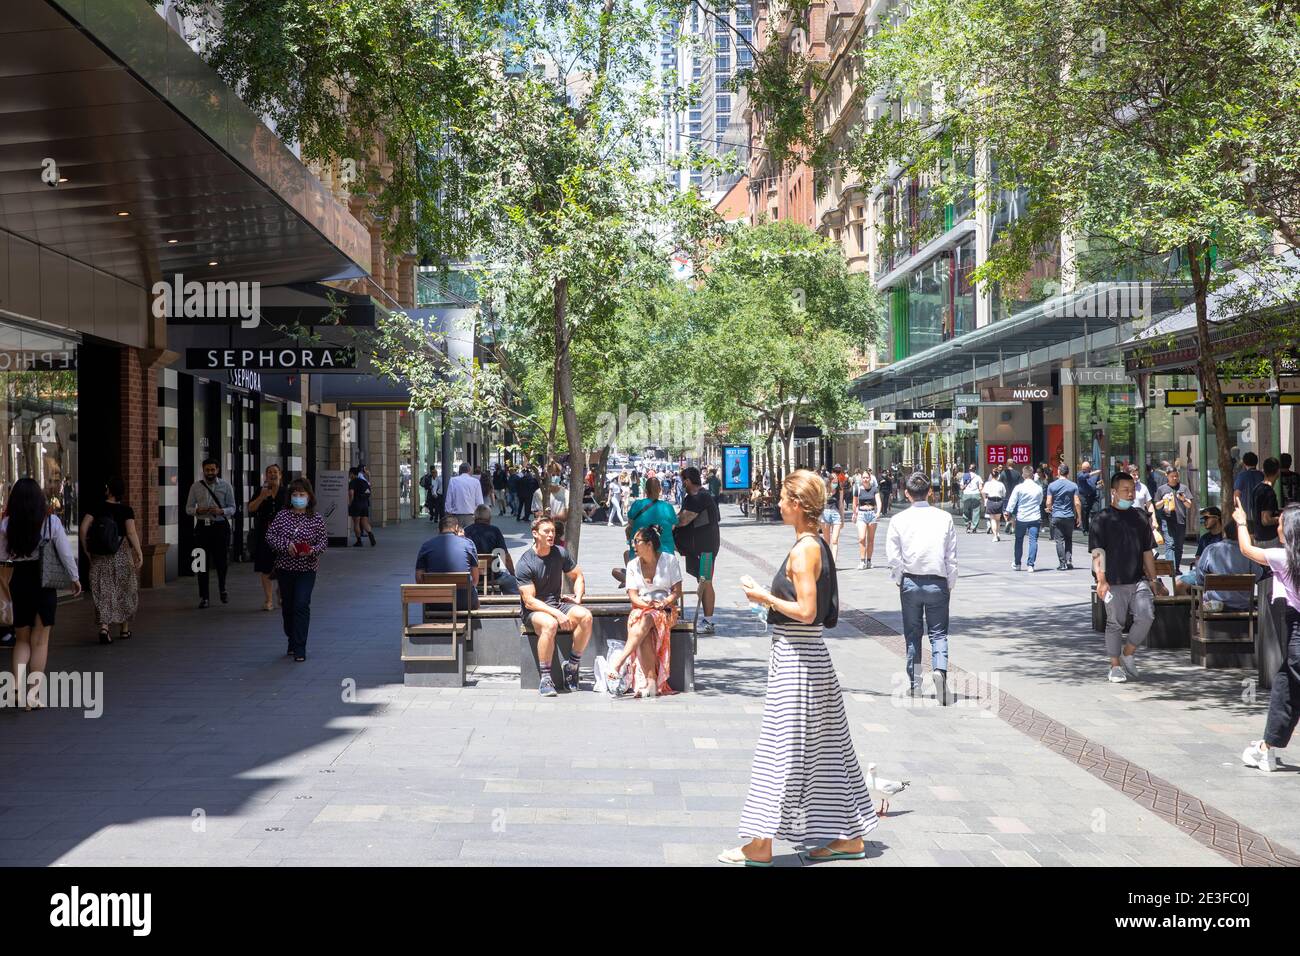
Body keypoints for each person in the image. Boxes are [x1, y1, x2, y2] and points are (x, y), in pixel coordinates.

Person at [722, 470, 877, 867]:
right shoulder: (816, 543)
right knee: (829, 750)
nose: (777, 503)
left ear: (798, 504)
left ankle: (760, 844)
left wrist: (764, 597)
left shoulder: (805, 549)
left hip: (799, 659)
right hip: (807, 659)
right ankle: (849, 836)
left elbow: (807, 612)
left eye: (782, 498)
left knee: (780, 751)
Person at [1, 479, 80, 709]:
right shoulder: (51, 522)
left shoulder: (6, 525)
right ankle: (33, 696)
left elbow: (2, 554)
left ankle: (16, 688)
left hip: (18, 582)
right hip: (44, 583)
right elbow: (65, 554)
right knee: (40, 641)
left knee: (22, 640)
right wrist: (74, 578)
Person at [1233, 503, 1300, 771]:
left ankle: (1265, 750)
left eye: (1282, 522)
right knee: (1285, 689)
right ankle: (1266, 748)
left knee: (1288, 686)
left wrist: (1240, 521)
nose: (1277, 526)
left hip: (1297, 634)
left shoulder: (1284, 557)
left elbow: (1247, 550)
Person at [885, 472, 959, 702]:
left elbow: (893, 556)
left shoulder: (898, 520)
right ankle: (939, 670)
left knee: (913, 633)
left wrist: (899, 577)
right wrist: (950, 581)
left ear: (907, 494)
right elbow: (951, 555)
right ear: (930, 493)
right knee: (939, 633)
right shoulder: (944, 517)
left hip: (910, 581)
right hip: (937, 581)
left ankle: (915, 683)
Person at [1090, 472, 1157, 684]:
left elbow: (1147, 551)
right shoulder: (1101, 518)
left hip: (1138, 580)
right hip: (1113, 581)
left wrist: (1154, 580)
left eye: (1132, 490)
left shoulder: (1140, 517)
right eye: (1125, 490)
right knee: (1115, 623)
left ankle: (1128, 652)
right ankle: (1115, 665)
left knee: (1147, 615)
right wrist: (1101, 579)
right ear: (1113, 492)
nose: (1130, 494)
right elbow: (1098, 552)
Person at [598, 526, 681, 698]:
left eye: (636, 541)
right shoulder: (632, 565)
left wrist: (663, 602)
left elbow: (676, 591)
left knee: (645, 620)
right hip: (642, 607)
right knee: (644, 623)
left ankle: (619, 662)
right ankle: (651, 683)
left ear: (649, 544)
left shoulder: (670, 561)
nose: (633, 545)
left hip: (665, 608)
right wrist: (647, 605)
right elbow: (633, 596)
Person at [515, 515, 593, 697]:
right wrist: (556, 614)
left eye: (553, 531)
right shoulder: (525, 562)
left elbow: (578, 576)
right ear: (535, 534)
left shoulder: (560, 553)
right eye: (546, 531)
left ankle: (572, 666)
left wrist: (578, 598)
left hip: (557, 604)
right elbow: (529, 601)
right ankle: (546, 678)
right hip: (534, 611)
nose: (551, 535)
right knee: (550, 624)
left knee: (586, 616)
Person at [265, 478, 328, 662]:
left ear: (309, 496)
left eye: (302, 494)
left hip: (307, 569)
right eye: (295, 495)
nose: (298, 498)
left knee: (301, 604)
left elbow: (323, 543)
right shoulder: (282, 516)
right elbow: (270, 536)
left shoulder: (316, 519)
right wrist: (287, 546)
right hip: (285, 568)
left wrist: (311, 550)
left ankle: (300, 647)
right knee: (288, 607)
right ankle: (291, 638)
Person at [79, 476, 141, 644]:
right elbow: (131, 533)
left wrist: (86, 549)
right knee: (125, 588)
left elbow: (84, 528)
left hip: (99, 554)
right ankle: (124, 629)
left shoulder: (97, 507)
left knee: (103, 589)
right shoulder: (127, 510)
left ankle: (104, 628)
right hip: (120, 552)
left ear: (109, 490)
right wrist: (139, 553)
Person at [1174, 517, 1259, 608]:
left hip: (1214, 606)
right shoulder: (1250, 554)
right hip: (1243, 606)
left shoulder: (1211, 549)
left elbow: (1200, 577)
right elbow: (1258, 576)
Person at [185, 458, 236, 608]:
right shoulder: (195, 487)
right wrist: (197, 510)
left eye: (213, 470)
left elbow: (233, 508)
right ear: (203, 470)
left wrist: (221, 511)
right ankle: (204, 597)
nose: (210, 473)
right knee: (201, 564)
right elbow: (188, 508)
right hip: (202, 528)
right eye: (207, 470)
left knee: (221, 562)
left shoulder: (226, 486)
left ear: (217, 470)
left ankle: (222, 588)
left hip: (220, 527)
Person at [677, 466, 720, 635]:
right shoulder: (697, 496)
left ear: (688, 480)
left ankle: (708, 622)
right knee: (703, 580)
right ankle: (707, 619)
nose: (683, 484)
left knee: (706, 581)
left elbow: (683, 520)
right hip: (700, 548)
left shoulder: (699, 497)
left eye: (683, 481)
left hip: (706, 548)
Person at [415, 514, 481, 609]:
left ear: (439, 529)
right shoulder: (468, 544)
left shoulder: (426, 546)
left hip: (434, 603)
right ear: (457, 528)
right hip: (464, 602)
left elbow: (419, 579)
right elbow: (475, 579)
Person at [247, 464, 288, 610]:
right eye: (269, 472)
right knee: (265, 567)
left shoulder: (287, 492)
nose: (272, 474)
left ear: (280, 475)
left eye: (275, 472)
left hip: (284, 536)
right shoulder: (261, 491)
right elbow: (250, 508)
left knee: (284, 567)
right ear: (266, 475)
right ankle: (268, 600)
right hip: (264, 535)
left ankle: (281, 592)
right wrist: (261, 498)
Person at [462, 505, 520, 594]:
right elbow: (505, 557)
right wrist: (513, 574)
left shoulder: (466, 531)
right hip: (493, 575)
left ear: (475, 517)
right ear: (489, 518)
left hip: (471, 575)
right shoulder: (495, 531)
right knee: (512, 581)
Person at [1005, 465, 1045, 571]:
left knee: (1019, 540)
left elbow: (1012, 501)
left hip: (1022, 517)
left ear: (1023, 475)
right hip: (1034, 517)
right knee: (1033, 541)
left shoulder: (1019, 488)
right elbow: (1040, 501)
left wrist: (1008, 511)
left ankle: (1017, 563)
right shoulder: (1038, 488)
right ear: (1032, 475)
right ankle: (1030, 564)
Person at [1153, 467, 1194, 569]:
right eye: (1172, 476)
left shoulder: (1183, 488)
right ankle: (1171, 569)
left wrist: (1183, 499)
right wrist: (1163, 500)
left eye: (1176, 476)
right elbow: (1157, 506)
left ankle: (1176, 568)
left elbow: (1189, 505)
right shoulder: (1162, 489)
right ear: (1167, 476)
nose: (1174, 478)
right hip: (1167, 520)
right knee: (1170, 544)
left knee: (1179, 546)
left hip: (1180, 520)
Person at [1045, 464, 1083, 571]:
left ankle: (1062, 564)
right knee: (1069, 539)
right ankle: (1069, 560)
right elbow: (1077, 503)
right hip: (1069, 516)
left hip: (1057, 515)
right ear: (1068, 473)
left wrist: (1049, 509)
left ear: (1058, 471)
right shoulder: (1073, 486)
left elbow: (1048, 502)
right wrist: (1079, 517)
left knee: (1059, 540)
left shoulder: (1052, 485)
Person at [852, 467, 882, 570]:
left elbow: (878, 501)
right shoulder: (858, 489)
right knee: (861, 538)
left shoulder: (874, 489)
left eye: (867, 477)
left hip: (872, 514)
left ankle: (869, 560)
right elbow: (855, 503)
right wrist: (854, 513)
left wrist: (878, 512)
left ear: (870, 478)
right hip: (862, 514)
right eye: (863, 478)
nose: (865, 479)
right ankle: (862, 561)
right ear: (861, 479)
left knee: (871, 539)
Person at [1251, 457, 1282, 546]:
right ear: (1278, 472)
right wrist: (1282, 518)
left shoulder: (1256, 488)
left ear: (1263, 470)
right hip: (1269, 538)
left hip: (1258, 536)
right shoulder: (1268, 492)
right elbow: (1266, 520)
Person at [445, 462, 484, 529]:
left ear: (460, 470)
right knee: (469, 536)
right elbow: (479, 501)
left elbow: (449, 498)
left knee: (456, 536)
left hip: (456, 515)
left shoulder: (453, 480)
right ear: (469, 470)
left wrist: (448, 512)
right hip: (470, 515)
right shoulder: (476, 482)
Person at [820, 464, 848, 555]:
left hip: (836, 515)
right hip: (825, 515)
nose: (835, 482)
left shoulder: (840, 490)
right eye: (834, 481)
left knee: (835, 540)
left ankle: (834, 563)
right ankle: (829, 562)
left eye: (836, 481)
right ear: (830, 481)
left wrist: (842, 519)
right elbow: (821, 504)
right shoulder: (824, 491)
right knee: (827, 541)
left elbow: (841, 505)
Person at [347, 465, 375, 547]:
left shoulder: (352, 482)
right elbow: (369, 489)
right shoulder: (364, 481)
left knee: (356, 523)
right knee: (365, 522)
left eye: (349, 474)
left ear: (352, 474)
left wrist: (350, 503)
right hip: (365, 504)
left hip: (356, 504)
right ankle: (371, 536)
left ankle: (359, 541)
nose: (349, 476)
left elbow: (351, 493)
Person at [1233, 451, 1264, 521]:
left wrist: (1237, 508)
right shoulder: (1262, 475)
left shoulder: (1242, 476)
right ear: (1256, 462)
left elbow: (1236, 495)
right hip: (1260, 515)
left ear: (1244, 463)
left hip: (1246, 514)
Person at [982, 468, 1007, 542]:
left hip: (991, 501)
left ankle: (995, 536)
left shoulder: (988, 483)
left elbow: (983, 492)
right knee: (998, 519)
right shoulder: (1001, 484)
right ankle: (998, 533)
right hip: (999, 501)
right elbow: (1004, 494)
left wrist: (985, 499)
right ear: (998, 476)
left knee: (992, 519)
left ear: (991, 476)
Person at [959, 463, 983, 533]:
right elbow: (980, 488)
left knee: (966, 510)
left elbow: (961, 487)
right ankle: (974, 527)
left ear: (969, 469)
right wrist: (983, 497)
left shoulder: (965, 476)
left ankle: (967, 523)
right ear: (975, 469)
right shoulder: (978, 477)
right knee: (976, 511)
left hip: (966, 495)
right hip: (976, 495)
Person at [1077, 460, 1099, 532]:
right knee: (1085, 513)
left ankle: (1093, 528)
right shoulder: (1080, 474)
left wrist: (1099, 485)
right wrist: (1095, 472)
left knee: (1095, 511)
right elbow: (1084, 477)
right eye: (1082, 468)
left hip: (1093, 496)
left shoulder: (1095, 475)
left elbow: (1097, 483)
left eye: (1085, 469)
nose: (1083, 470)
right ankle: (1085, 529)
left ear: (1089, 468)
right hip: (1084, 496)